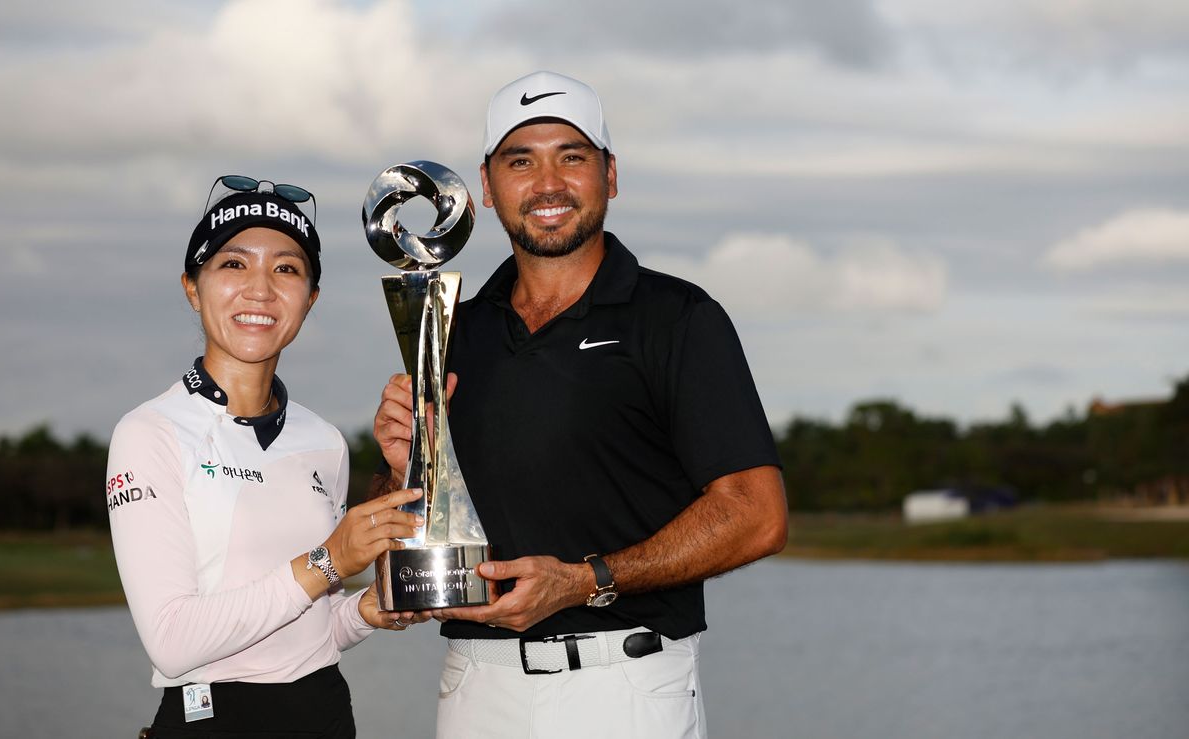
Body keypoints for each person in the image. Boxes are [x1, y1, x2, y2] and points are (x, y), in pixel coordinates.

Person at [371, 71, 789, 739]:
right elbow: (410, 543)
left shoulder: (678, 319)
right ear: (486, 184)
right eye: (521, 161)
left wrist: (587, 579)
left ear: (610, 174)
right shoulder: (452, 331)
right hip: (475, 685)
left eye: (572, 156)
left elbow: (757, 515)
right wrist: (404, 474)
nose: (548, 183)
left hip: (623, 682)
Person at [108, 175, 428, 739]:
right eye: (233, 264)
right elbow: (173, 641)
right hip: (211, 720)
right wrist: (329, 559)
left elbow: (309, 630)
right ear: (191, 286)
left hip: (324, 713)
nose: (260, 289)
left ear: (311, 298)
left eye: (286, 268)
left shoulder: (323, 440)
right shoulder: (149, 432)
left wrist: (364, 612)